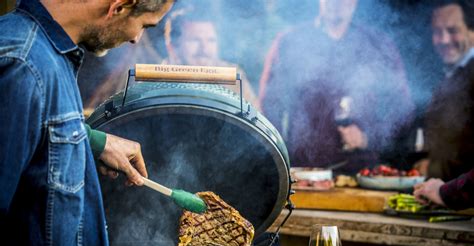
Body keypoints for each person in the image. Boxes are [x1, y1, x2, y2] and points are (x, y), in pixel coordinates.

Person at [0, 0, 174, 246]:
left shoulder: (48, 56)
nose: (135, 39)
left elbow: (35, 125)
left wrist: (91, 141)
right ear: (118, 7)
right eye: (144, 25)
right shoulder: (22, 66)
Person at [259, 0, 414, 173]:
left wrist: (368, 137)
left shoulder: (378, 44)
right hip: (306, 172)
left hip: (363, 173)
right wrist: (280, 156)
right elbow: (270, 103)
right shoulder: (290, 41)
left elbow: (401, 107)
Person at [414, 0, 474, 181]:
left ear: (472, 32)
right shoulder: (448, 74)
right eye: (437, 32)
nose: (444, 40)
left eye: (453, 31)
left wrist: (433, 169)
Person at [162, 5, 261, 110]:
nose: (204, 49)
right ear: (172, 46)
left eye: (211, 40)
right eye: (194, 40)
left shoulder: (232, 75)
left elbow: (255, 117)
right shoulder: (157, 79)